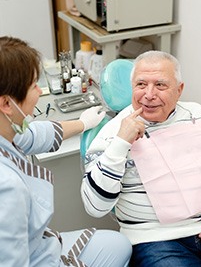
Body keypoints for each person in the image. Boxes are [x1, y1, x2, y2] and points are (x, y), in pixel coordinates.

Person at [81, 50, 201, 266]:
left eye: (160, 85)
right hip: (155, 239)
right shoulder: (112, 134)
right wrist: (120, 144)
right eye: (141, 85)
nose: (149, 94)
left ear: (179, 89)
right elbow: (95, 207)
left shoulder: (200, 116)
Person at [0, 36, 132, 266]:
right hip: (32, 259)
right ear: (6, 104)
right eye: (33, 86)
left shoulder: (9, 130)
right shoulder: (6, 188)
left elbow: (33, 134)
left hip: (39, 244)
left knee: (120, 245)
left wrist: (83, 123)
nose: (39, 93)